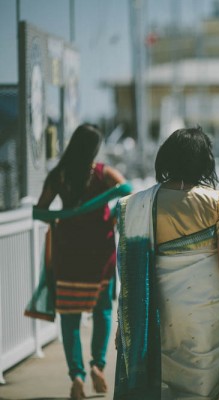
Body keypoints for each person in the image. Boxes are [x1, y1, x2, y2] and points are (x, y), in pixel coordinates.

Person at [114, 127, 219, 400]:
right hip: (204, 313)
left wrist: (123, 323)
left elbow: (130, 273)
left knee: (161, 384)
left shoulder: (137, 204)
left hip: (156, 309)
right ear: (205, 161)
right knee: (201, 384)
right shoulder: (218, 202)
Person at [35, 123, 129, 400]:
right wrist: (109, 213)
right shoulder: (102, 173)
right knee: (102, 311)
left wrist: (67, 215)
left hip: (68, 252)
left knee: (70, 316)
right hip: (100, 252)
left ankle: (76, 375)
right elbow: (128, 189)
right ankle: (97, 365)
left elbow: (40, 211)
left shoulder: (58, 175)